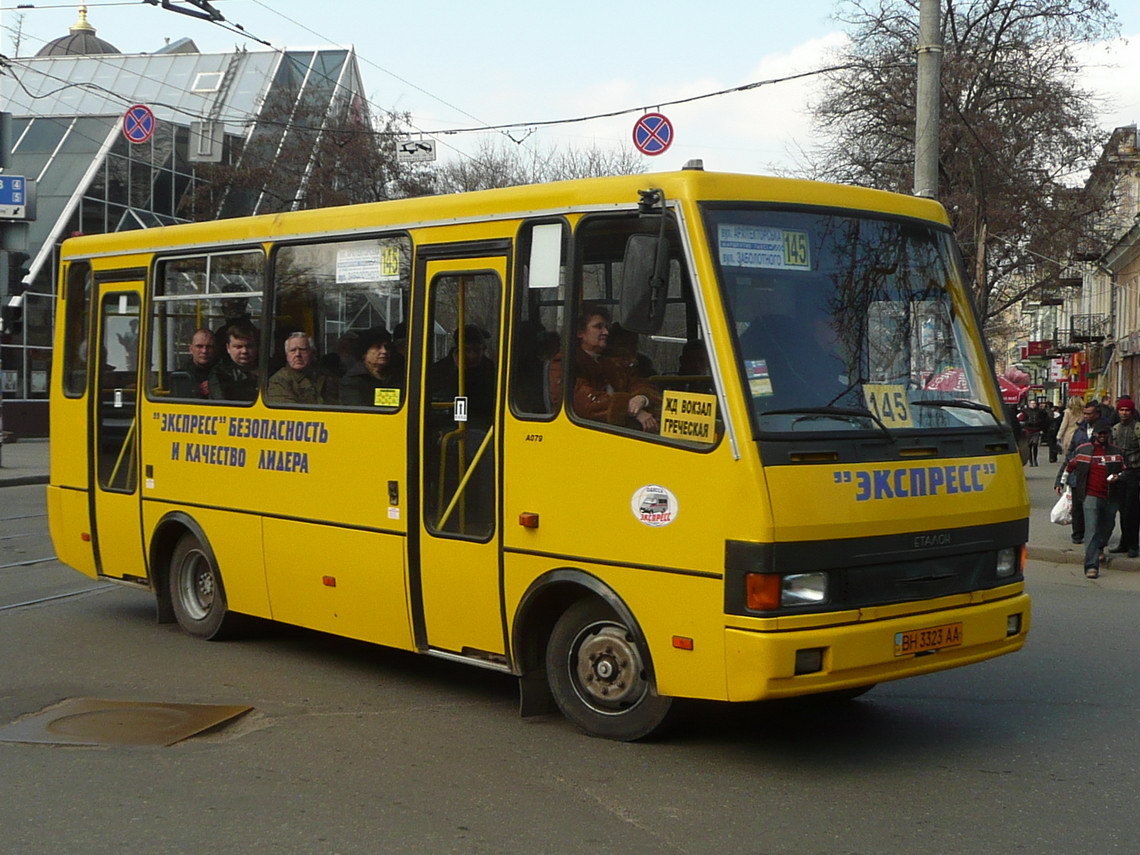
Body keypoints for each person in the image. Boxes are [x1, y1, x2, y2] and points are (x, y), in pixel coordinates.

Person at [547, 305, 660, 432]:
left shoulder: (617, 359)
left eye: (606, 327)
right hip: (584, 434)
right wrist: (629, 408)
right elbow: (581, 402)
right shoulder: (564, 362)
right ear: (579, 332)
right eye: (598, 327)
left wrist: (642, 398)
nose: (606, 332)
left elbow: (640, 382)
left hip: (622, 432)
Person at [1060, 421, 1124, 578]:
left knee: (1108, 525)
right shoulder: (1083, 451)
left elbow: (1125, 471)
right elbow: (1069, 467)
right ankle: (1091, 565)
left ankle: (1100, 548)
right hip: (1090, 495)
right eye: (1099, 434)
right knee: (1092, 529)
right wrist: (1061, 484)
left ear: (1109, 435)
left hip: (1111, 496)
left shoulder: (1116, 452)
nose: (1102, 437)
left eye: (1105, 434)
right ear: (1094, 435)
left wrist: (1118, 477)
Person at [429, 324, 497, 428]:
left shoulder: (488, 368)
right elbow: (442, 400)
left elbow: (489, 401)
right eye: (467, 350)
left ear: (484, 350)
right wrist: (458, 372)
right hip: (447, 426)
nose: (472, 356)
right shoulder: (440, 370)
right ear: (458, 349)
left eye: (477, 351)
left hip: (481, 425)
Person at [1055, 400, 1103, 545]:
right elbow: (1070, 455)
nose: (1086, 416)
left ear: (1097, 414)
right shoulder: (1079, 431)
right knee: (1077, 507)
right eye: (1085, 413)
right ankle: (1077, 534)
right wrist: (1060, 480)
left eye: (1090, 414)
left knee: (1095, 507)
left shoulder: (1104, 431)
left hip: (1096, 476)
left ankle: (1094, 534)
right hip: (1078, 476)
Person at [266, 332, 338, 405]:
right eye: (293, 350)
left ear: (312, 353)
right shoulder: (279, 380)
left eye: (302, 350)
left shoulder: (325, 376)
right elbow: (288, 413)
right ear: (287, 355)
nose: (297, 354)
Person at [340, 328, 404, 406]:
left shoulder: (397, 375)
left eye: (387, 347)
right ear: (364, 353)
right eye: (378, 347)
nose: (384, 351)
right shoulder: (352, 381)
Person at [1110, 396, 1140, 557]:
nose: (1124, 413)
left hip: (1134, 474)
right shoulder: (1115, 429)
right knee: (1122, 509)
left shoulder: (1137, 428)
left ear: (1132, 412)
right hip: (1119, 475)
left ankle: (1133, 544)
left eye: (1127, 410)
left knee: (1132, 510)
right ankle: (1124, 542)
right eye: (1122, 410)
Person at [208, 322, 260, 402]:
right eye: (238, 347)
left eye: (249, 346)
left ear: (257, 347)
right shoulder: (219, 374)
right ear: (228, 348)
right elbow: (222, 403)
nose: (244, 351)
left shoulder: (268, 370)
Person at [173, 327, 216, 398]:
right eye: (199, 346)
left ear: (215, 349)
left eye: (209, 347)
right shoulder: (180, 376)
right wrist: (198, 391)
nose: (204, 351)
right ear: (191, 349)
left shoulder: (224, 374)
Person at [1019, 399, 1048, 466]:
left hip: (1036, 430)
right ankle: (1031, 461)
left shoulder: (1040, 411)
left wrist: (1041, 426)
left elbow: (1044, 420)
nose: (1033, 405)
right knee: (1029, 446)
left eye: (1034, 403)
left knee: (1035, 444)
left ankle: (1035, 459)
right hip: (1028, 430)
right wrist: (1026, 423)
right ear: (1029, 404)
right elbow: (1022, 419)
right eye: (1032, 403)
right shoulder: (1025, 411)